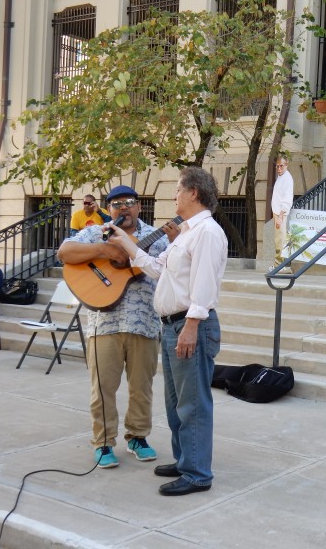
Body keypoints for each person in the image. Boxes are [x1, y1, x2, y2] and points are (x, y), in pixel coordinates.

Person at [111, 167, 228, 496]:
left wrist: (191, 327)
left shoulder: (207, 232)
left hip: (191, 326)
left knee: (193, 404)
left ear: (193, 192)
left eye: (178, 190)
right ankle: (184, 460)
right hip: (172, 325)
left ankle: (197, 474)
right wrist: (125, 242)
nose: (174, 195)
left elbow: (204, 285)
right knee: (177, 402)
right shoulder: (187, 233)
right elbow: (157, 268)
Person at [58, 185, 175, 469]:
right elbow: (65, 252)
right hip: (103, 324)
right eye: (117, 203)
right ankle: (103, 442)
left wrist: (178, 241)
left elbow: (177, 269)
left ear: (139, 207)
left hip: (145, 323)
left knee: (141, 387)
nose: (124, 207)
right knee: (102, 388)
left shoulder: (158, 238)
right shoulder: (97, 231)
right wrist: (103, 248)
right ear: (109, 209)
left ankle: (137, 437)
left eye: (130, 202)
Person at [270, 156, 294, 273]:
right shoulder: (281, 177)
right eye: (277, 166)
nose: (279, 168)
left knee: (281, 239)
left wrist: (280, 216)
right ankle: (281, 265)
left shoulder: (287, 178)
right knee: (279, 239)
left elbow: (287, 199)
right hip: (278, 212)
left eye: (281, 166)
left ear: (286, 165)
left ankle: (280, 265)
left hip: (281, 213)